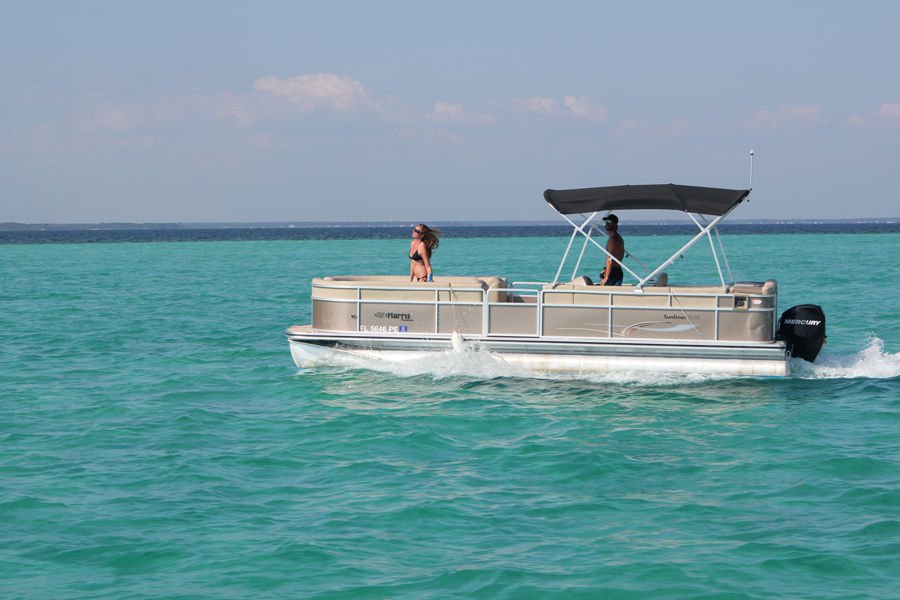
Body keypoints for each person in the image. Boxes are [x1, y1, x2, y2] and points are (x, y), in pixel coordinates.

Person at [599, 213, 625, 286]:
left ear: (615, 225)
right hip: (618, 271)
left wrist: (606, 277)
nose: (606, 223)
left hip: (612, 273)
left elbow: (609, 260)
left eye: (609, 222)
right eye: (606, 222)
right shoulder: (619, 238)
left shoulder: (612, 240)